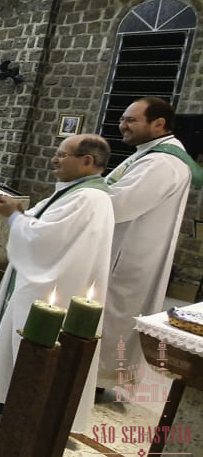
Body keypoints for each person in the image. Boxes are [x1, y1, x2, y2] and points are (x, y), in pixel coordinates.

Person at [0, 134, 114, 421]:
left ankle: (19, 403)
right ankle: (2, 393)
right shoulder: (75, 191)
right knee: (17, 331)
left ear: (87, 161)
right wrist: (17, 211)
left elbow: (45, 238)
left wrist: (14, 216)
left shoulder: (89, 198)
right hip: (45, 278)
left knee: (33, 339)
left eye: (62, 155)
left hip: (55, 285)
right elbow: (42, 222)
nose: (54, 160)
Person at [100, 97, 195, 382]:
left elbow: (120, 203)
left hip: (129, 254)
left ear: (159, 124)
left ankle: (97, 378)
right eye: (122, 119)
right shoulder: (149, 154)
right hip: (124, 248)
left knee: (114, 317)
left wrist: (79, 194)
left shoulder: (162, 162)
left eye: (131, 120)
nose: (122, 125)